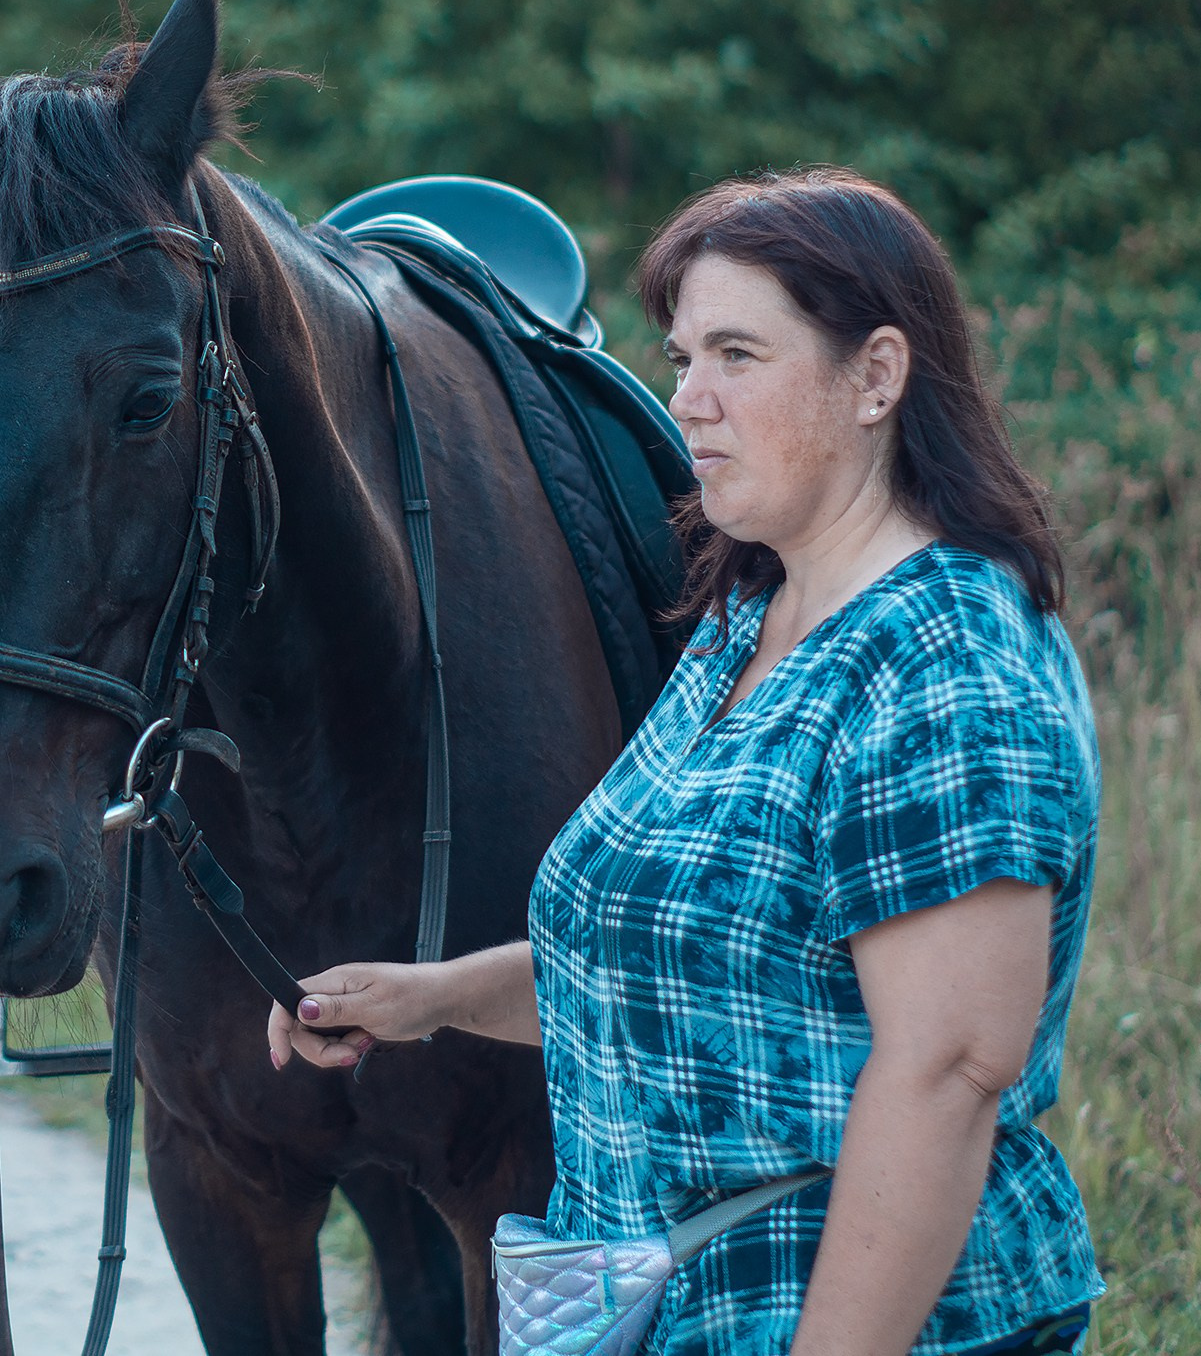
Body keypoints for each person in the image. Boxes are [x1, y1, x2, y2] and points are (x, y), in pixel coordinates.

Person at [267, 168, 1104, 1355]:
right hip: (664, 1305)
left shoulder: (944, 657)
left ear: (877, 375)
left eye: (737, 355)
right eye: (681, 358)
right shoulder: (746, 622)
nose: (689, 400)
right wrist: (432, 997)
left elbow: (948, 1069)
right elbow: (679, 968)